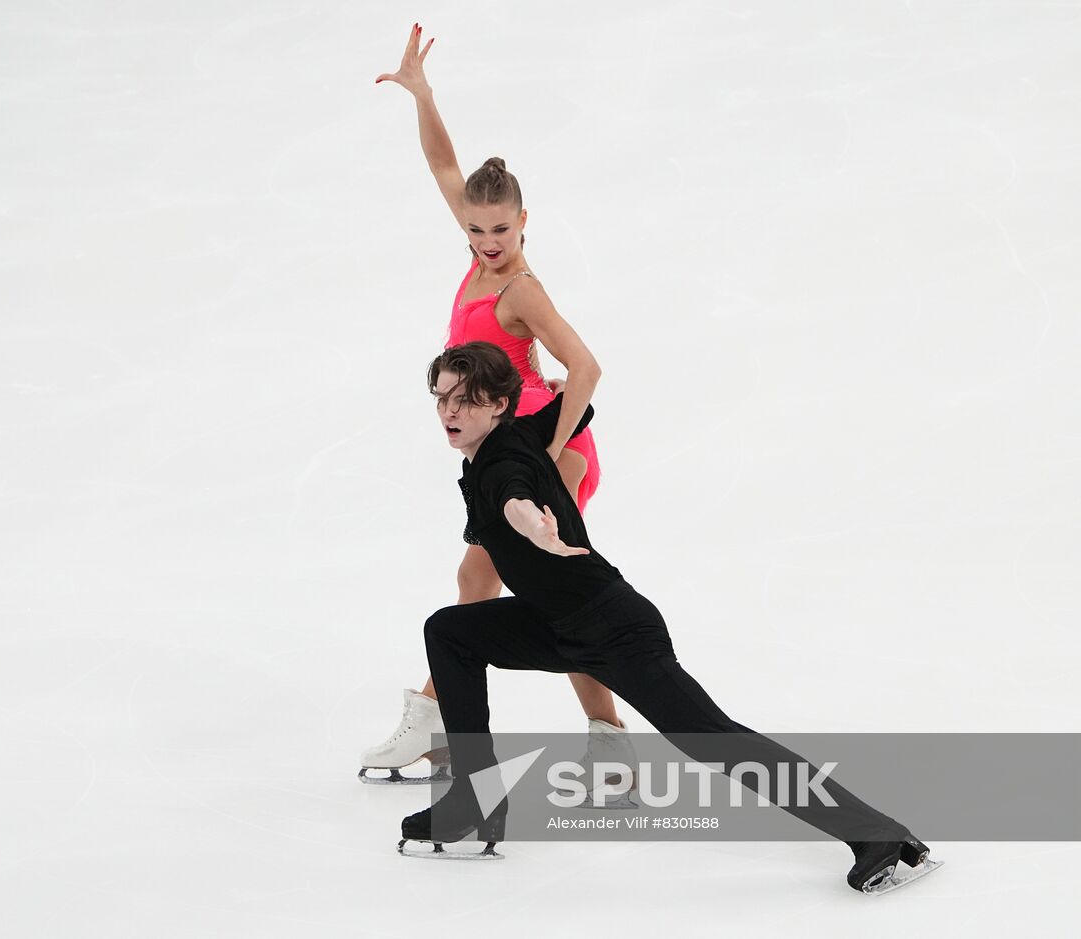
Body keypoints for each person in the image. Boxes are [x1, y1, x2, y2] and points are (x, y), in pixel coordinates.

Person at [398, 341, 939, 894]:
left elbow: (513, 494)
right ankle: (473, 799)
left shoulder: (502, 462)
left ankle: (878, 834)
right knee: (450, 631)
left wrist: (532, 523)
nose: (449, 412)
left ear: (497, 405)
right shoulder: (514, 435)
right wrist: (567, 397)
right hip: (555, 623)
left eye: (466, 400)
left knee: (711, 738)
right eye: (442, 398)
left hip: (613, 628)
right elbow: (575, 410)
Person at [360, 23, 630, 786]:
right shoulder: (479, 255)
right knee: (481, 584)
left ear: (524, 222)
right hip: (506, 453)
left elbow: (586, 367)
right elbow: (445, 164)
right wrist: (423, 94)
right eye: (476, 228)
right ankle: (450, 723)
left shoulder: (520, 287)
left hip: (545, 448)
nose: (485, 239)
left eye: (500, 228)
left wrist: (551, 453)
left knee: (536, 588)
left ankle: (439, 721)